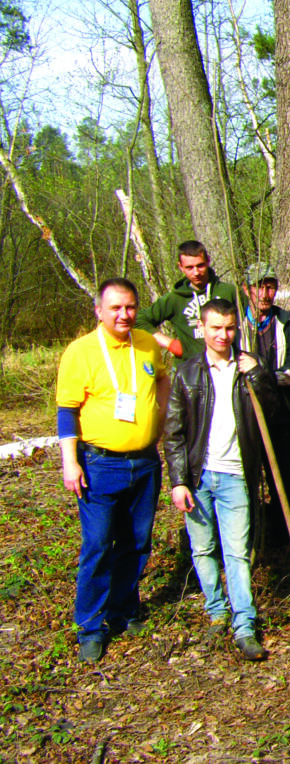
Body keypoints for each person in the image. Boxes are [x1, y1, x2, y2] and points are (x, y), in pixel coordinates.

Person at [56, 278, 170, 663]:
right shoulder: (81, 351)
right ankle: (90, 626)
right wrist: (70, 461)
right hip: (100, 464)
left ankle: (123, 610)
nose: (124, 314)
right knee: (99, 545)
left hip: (145, 462)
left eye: (131, 307)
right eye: (116, 308)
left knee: (137, 541)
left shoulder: (147, 343)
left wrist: (160, 423)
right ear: (99, 311)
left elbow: (163, 380)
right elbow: (67, 410)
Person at [163, 298, 277, 661]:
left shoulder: (248, 368)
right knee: (202, 549)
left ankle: (244, 626)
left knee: (237, 553)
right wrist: (179, 481)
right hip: (198, 476)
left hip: (236, 475)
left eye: (229, 328)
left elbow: (274, 411)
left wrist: (258, 375)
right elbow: (174, 433)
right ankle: (216, 611)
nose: (222, 335)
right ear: (202, 328)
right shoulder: (187, 373)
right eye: (215, 328)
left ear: (236, 328)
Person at [241, 262, 290, 547]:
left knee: (280, 477)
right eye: (259, 287)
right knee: (244, 478)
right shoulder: (235, 325)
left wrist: (259, 374)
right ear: (247, 289)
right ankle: (250, 538)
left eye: (270, 287)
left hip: (282, 415)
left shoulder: (287, 324)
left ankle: (283, 539)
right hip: (244, 416)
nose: (265, 293)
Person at [135, 240, 238, 361]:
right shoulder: (174, 298)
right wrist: (169, 343)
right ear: (180, 267)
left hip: (227, 363)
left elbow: (252, 319)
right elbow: (138, 320)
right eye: (189, 267)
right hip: (190, 366)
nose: (196, 272)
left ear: (208, 261)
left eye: (200, 265)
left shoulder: (229, 291)